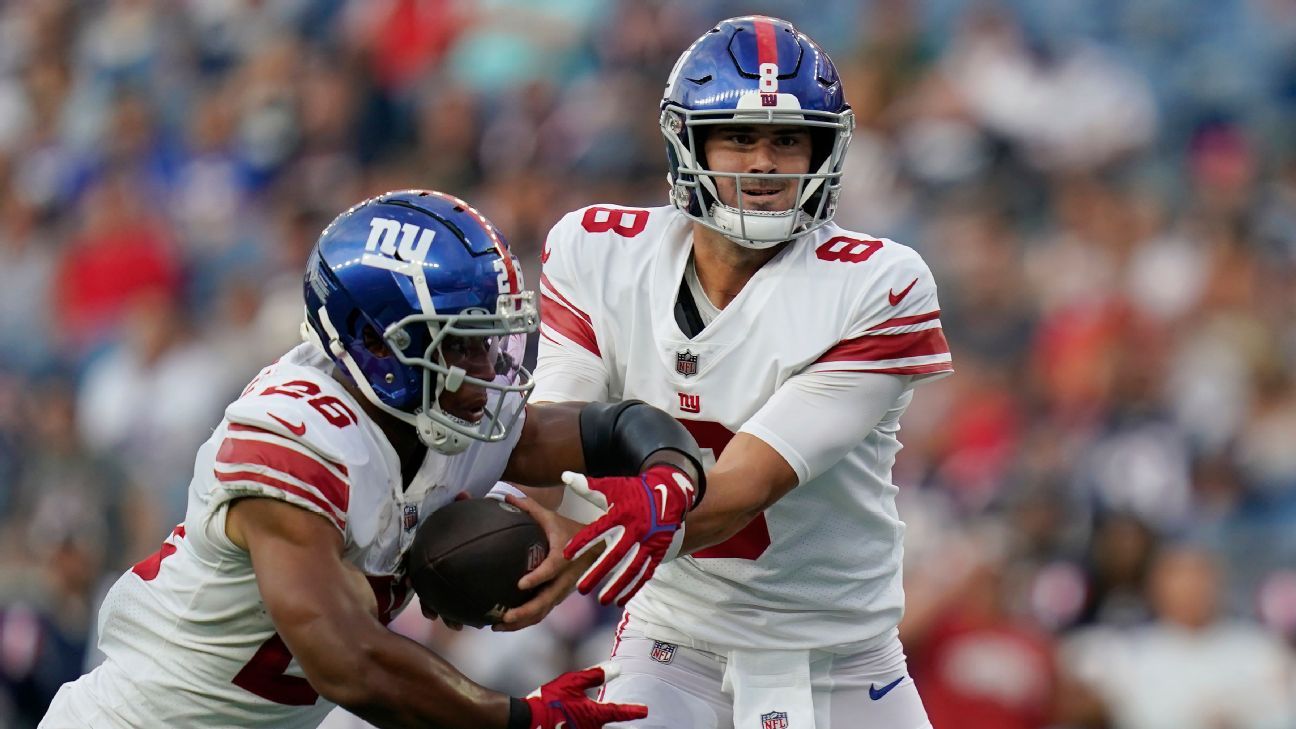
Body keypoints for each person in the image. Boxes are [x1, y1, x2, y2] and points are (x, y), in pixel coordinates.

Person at [39, 190, 707, 729]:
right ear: (376, 345)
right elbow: (348, 660)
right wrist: (520, 717)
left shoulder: (440, 409)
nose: (487, 366)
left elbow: (612, 427)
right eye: (460, 343)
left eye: (488, 337)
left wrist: (669, 477)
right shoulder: (294, 436)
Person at [510, 16, 953, 729]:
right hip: (673, 643)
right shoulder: (597, 251)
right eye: (739, 137)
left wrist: (599, 533)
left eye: (787, 139)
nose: (766, 163)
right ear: (689, 142)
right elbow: (556, 432)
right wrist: (523, 531)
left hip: (839, 658)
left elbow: (747, 484)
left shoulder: (878, 283)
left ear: (823, 151)